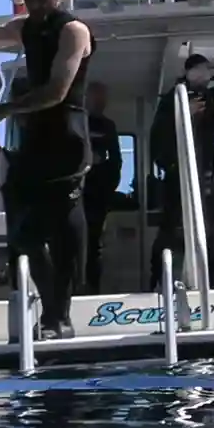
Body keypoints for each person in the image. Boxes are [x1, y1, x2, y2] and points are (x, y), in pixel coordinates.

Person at [0, 0, 94, 340]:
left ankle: (61, 316)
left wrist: (6, 108)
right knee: (24, 234)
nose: (35, 2)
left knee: (62, 227)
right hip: (36, 140)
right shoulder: (26, 27)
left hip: (67, 137)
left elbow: (57, 91)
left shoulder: (74, 31)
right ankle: (53, 312)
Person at [149, 54, 214, 278]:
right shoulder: (172, 98)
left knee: (210, 229)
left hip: (208, 174)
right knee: (172, 228)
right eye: (198, 68)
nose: (203, 73)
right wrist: (184, 115)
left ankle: (210, 278)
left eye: (206, 69)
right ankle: (160, 278)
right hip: (178, 174)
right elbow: (158, 137)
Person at [83, 81, 123, 291]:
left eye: (103, 98)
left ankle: (92, 289)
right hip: (76, 192)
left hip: (98, 195)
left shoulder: (108, 127)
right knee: (72, 243)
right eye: (96, 97)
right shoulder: (78, 122)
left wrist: (109, 187)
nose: (100, 102)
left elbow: (116, 161)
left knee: (93, 245)